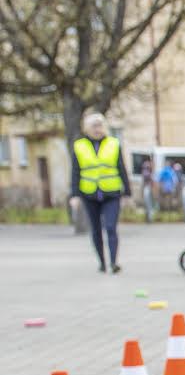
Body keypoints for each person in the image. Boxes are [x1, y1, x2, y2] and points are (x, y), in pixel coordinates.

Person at [70, 110, 129, 273]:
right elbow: (75, 171)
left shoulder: (113, 143)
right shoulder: (80, 146)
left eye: (100, 125)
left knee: (111, 227)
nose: (97, 129)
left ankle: (113, 262)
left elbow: (121, 168)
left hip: (111, 192)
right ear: (87, 128)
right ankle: (102, 262)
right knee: (95, 229)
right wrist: (74, 195)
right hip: (89, 193)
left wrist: (127, 192)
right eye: (94, 126)